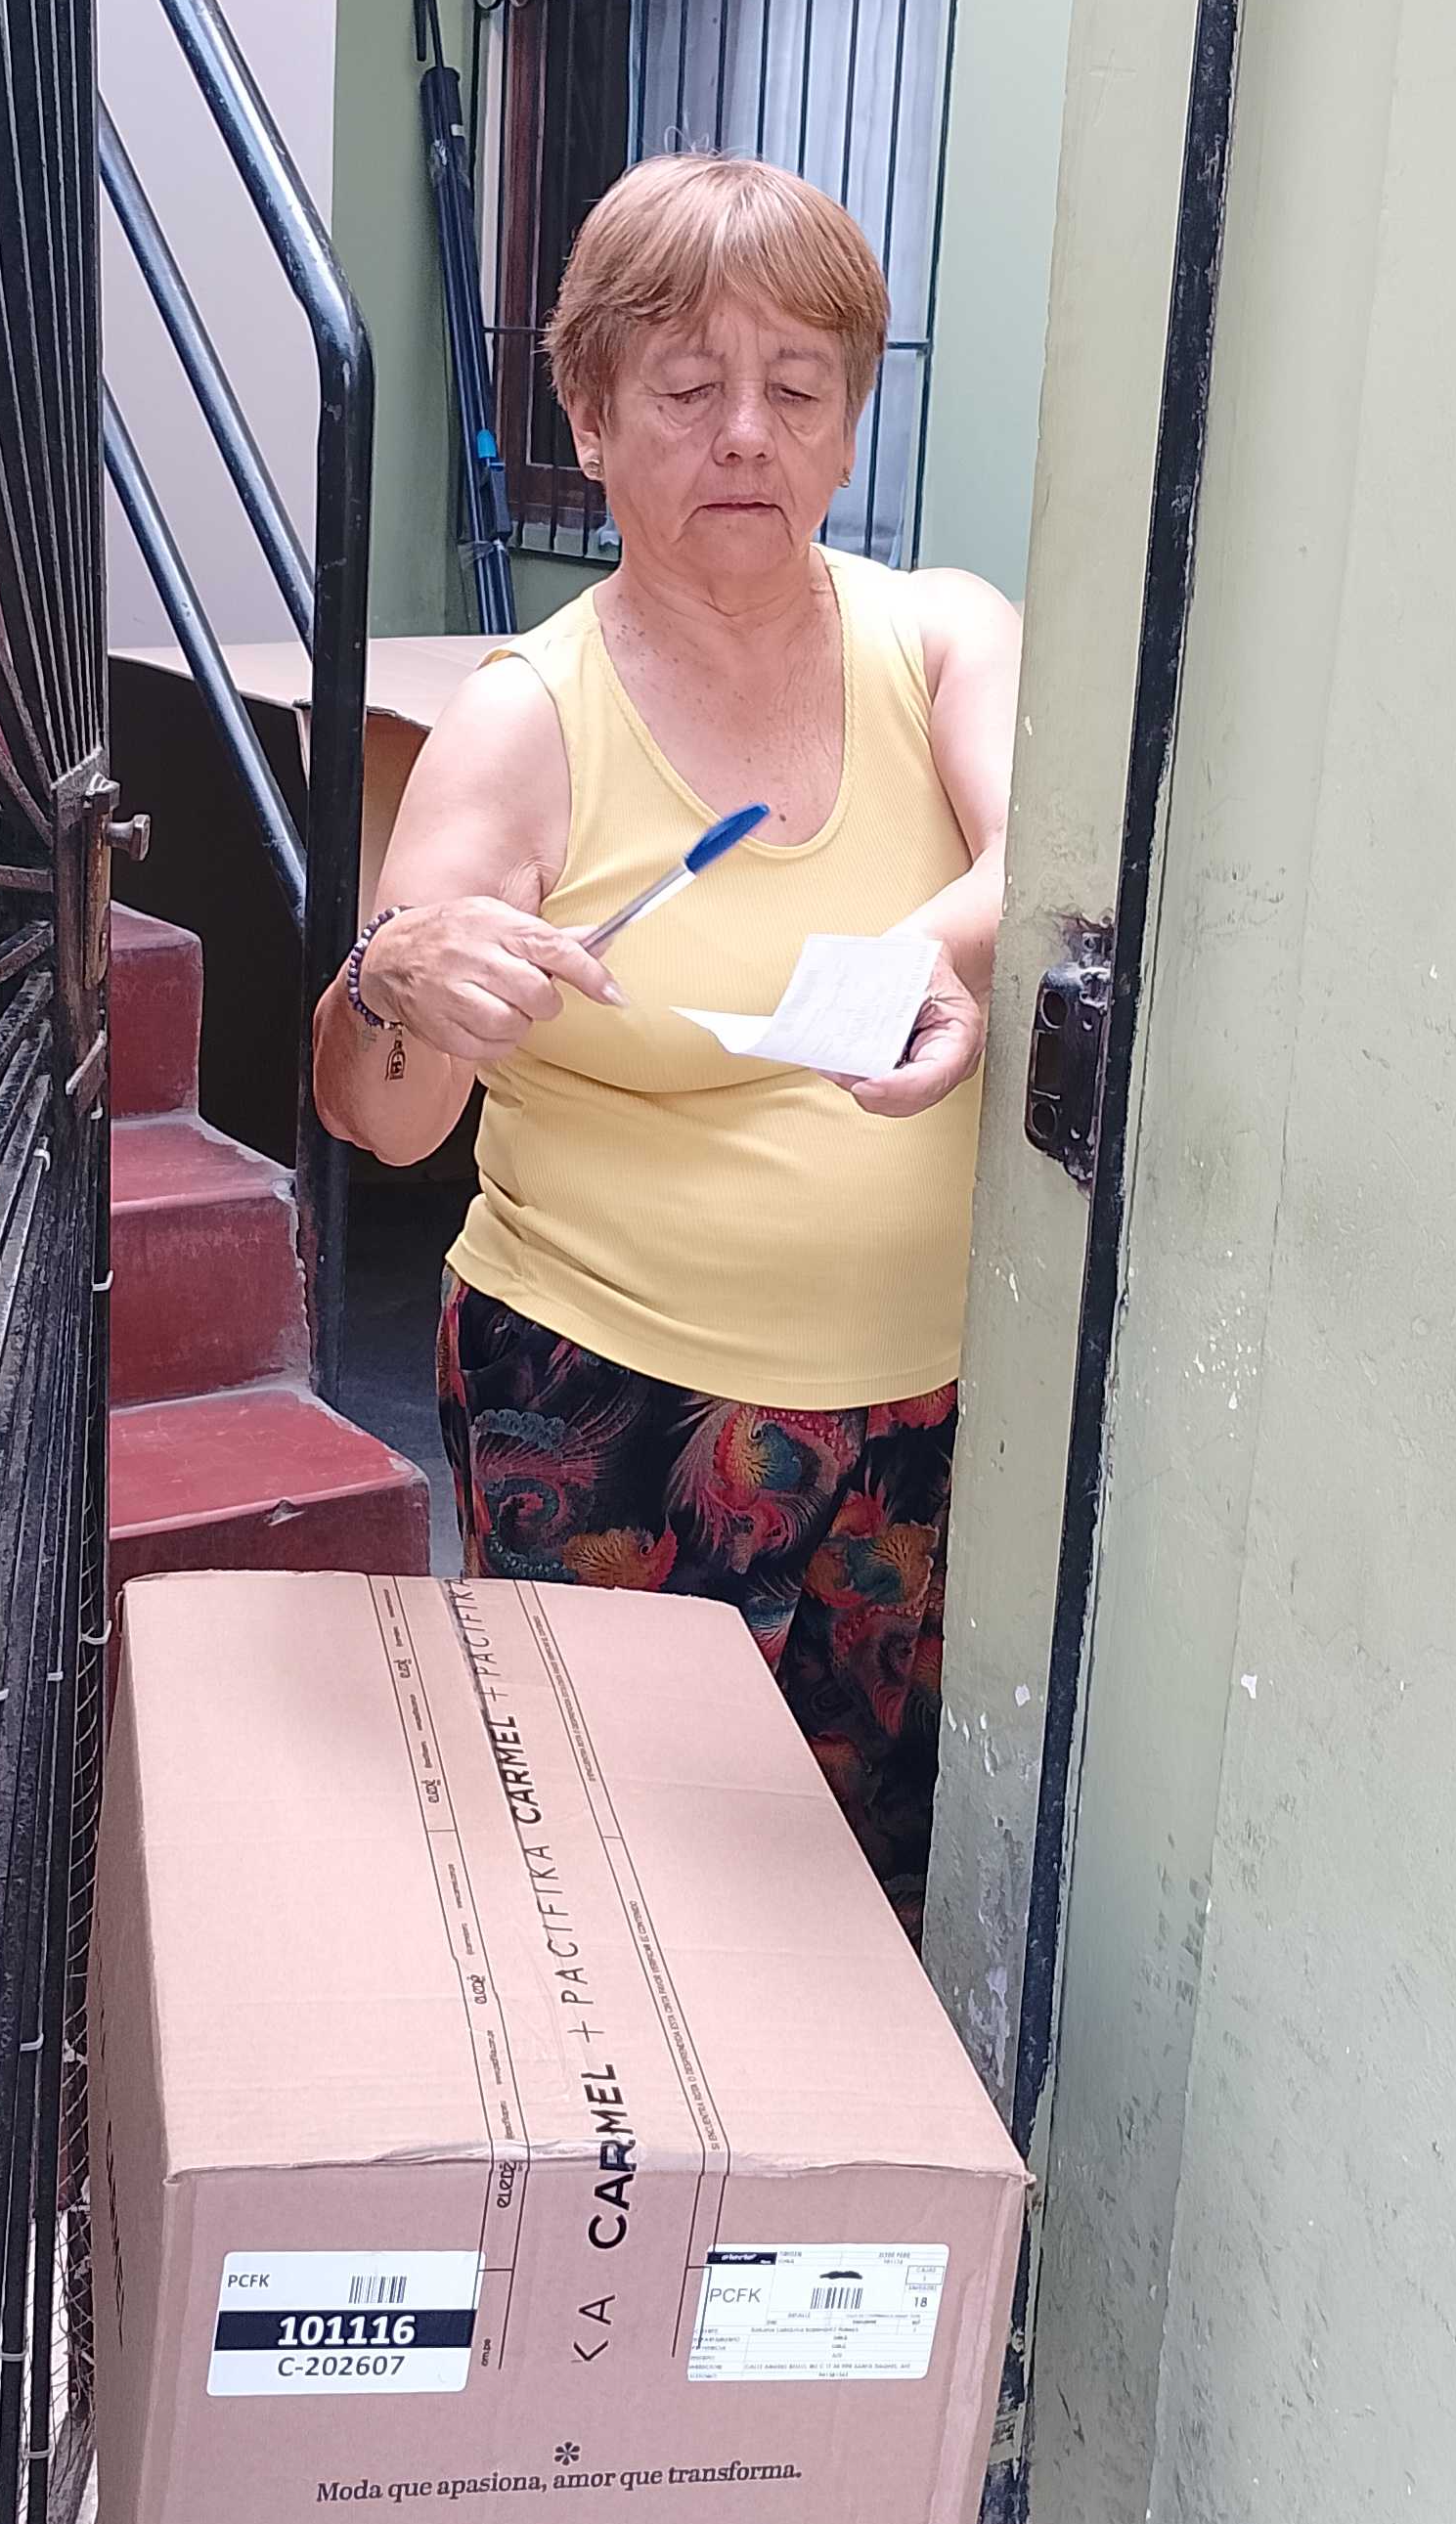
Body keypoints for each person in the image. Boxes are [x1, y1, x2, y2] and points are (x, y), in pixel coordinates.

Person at [312, 155, 1018, 1916]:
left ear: (850, 426)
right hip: (608, 1414)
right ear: (591, 418)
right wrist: (397, 981)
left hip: (915, 1415)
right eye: (690, 388)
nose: (747, 437)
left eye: (799, 389)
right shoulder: (524, 723)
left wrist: (908, 959)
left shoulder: (940, 638)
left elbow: (1051, 863)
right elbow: (385, 1118)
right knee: (610, 1893)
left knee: (855, 1893)